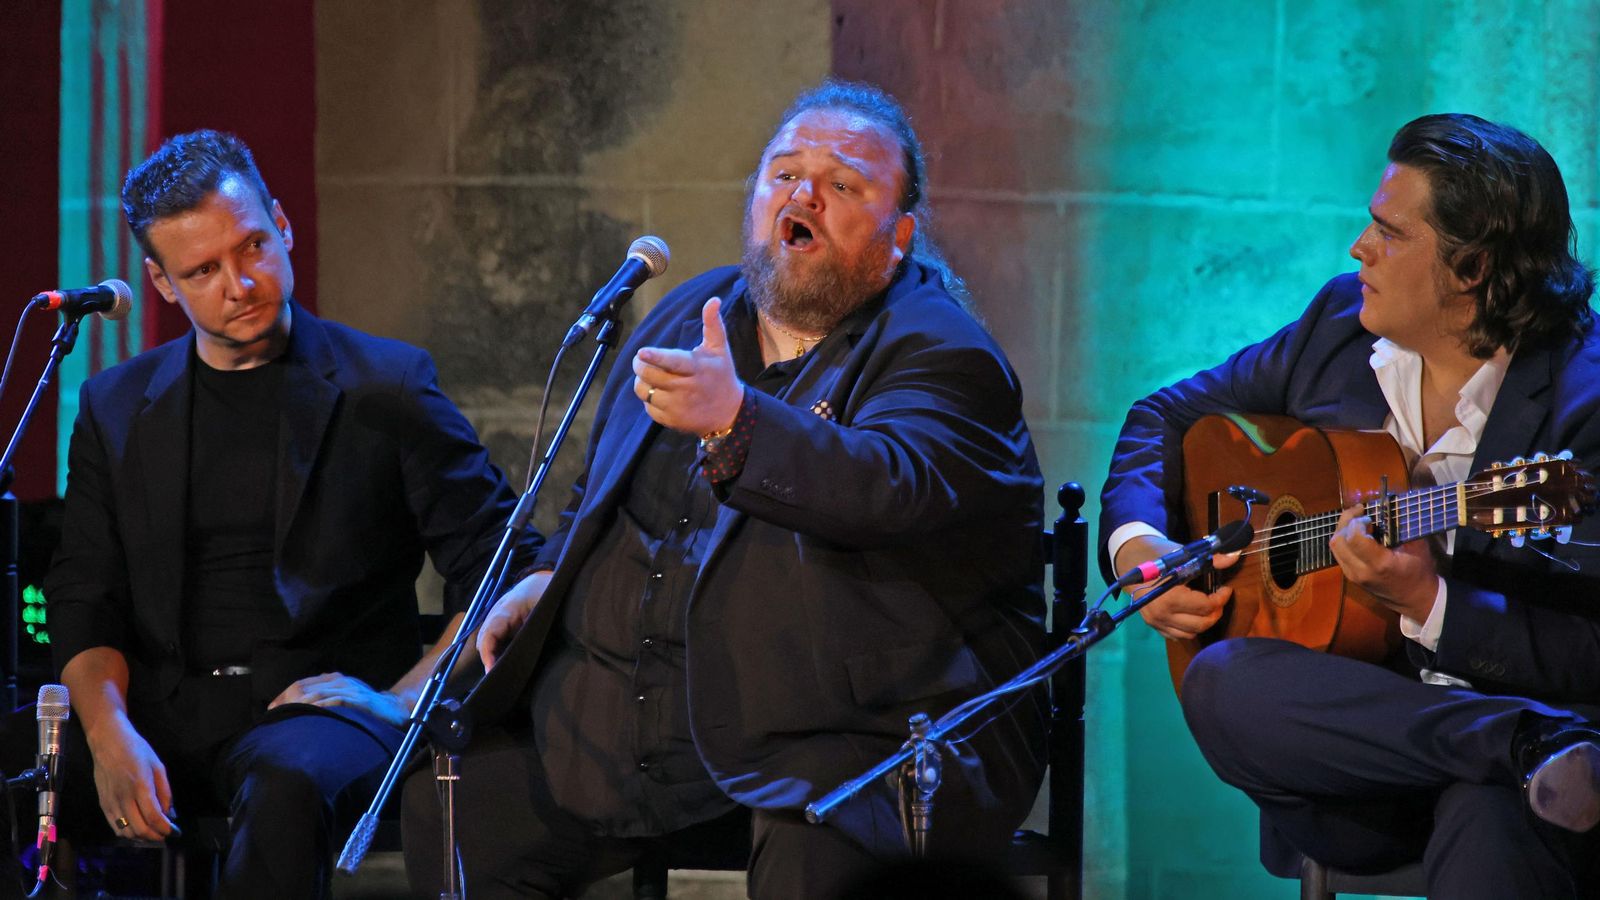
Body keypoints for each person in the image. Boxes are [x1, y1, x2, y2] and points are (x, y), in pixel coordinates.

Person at [401, 80, 1048, 899]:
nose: (803, 194)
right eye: (783, 175)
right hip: (628, 731)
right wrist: (544, 577)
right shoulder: (689, 313)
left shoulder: (941, 353)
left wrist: (737, 421)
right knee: (455, 809)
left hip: (840, 736)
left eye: (843, 184)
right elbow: (598, 490)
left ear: (900, 237)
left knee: (821, 854)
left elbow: (887, 483)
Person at [1100, 113, 1600, 897]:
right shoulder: (1337, 325)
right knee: (1222, 681)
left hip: (1533, 778)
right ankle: (1515, 742)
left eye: (1388, 232)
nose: (1358, 248)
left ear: (1469, 268)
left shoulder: (1584, 401)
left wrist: (1427, 600)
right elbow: (1164, 416)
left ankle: (1522, 745)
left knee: (1495, 825)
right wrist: (1139, 550)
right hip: (1356, 772)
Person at [45, 130, 538, 898]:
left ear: (283, 224)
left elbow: (507, 563)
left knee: (283, 781)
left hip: (322, 711)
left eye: (252, 247)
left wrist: (403, 697)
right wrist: (109, 739)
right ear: (163, 283)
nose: (240, 283)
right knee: (24, 767)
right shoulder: (115, 407)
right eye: (203, 271)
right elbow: (85, 600)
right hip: (164, 707)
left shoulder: (387, 385)